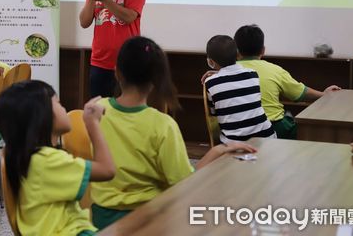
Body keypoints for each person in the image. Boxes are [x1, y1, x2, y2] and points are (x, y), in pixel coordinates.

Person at [91, 36, 256, 229]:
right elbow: (184, 182)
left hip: (101, 218)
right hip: (150, 218)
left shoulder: (95, 111)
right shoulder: (163, 125)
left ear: (117, 72)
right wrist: (219, 150)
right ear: (158, 79)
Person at [0, 80, 116, 236]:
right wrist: (93, 124)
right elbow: (107, 170)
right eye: (59, 103)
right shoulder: (47, 160)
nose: (64, 108)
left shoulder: (27, 158)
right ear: (42, 116)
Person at [233, 24, 340, 139]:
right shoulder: (274, 70)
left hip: (237, 131)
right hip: (273, 128)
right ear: (263, 50)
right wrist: (324, 94)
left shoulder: (223, 73)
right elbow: (300, 94)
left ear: (236, 51)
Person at [204, 35, 276, 143]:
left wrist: (216, 75)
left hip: (236, 144)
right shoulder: (253, 74)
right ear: (238, 55)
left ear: (211, 62)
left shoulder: (210, 83)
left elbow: (213, 114)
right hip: (267, 137)